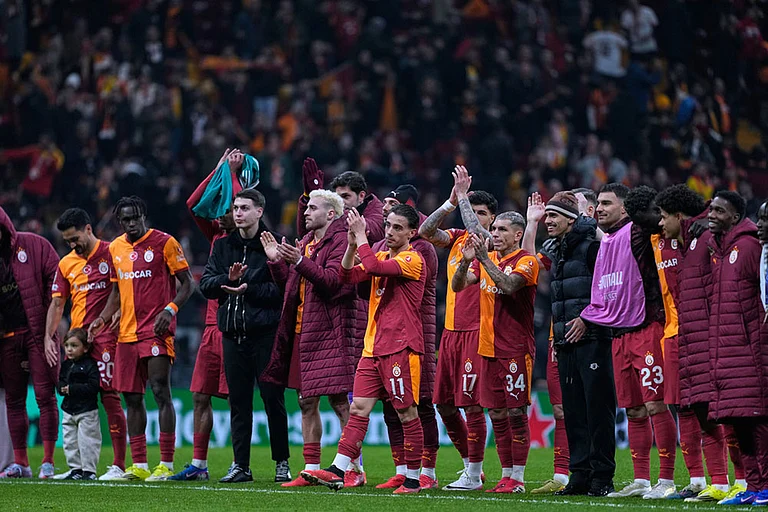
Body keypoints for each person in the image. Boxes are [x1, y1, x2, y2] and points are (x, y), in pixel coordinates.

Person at [300, 205, 426, 495]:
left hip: (401, 347)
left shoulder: (412, 259)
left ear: (411, 232)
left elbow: (373, 268)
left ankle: (413, 478)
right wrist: (351, 244)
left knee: (406, 412)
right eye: (388, 226)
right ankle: (338, 468)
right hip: (372, 347)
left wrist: (361, 237)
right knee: (358, 408)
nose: (391, 232)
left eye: (398, 228)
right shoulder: (380, 254)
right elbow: (346, 277)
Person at [573, 184, 677, 499]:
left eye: (607, 203)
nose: (600, 208)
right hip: (618, 334)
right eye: (598, 203)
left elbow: (651, 219)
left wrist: (638, 205)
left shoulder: (640, 233)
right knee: (632, 410)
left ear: (625, 208)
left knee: (655, 403)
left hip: (647, 326)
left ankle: (667, 480)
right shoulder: (606, 242)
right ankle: (642, 480)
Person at [89, 196, 194, 481]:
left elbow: (188, 284)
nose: (131, 223)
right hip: (125, 335)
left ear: (144, 216)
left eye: (136, 217)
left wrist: (170, 310)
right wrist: (102, 317)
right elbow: (115, 291)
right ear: (119, 221)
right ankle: (139, 465)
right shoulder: (115, 248)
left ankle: (166, 465)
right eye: (126, 219)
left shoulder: (164, 243)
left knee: (161, 392)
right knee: (132, 398)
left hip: (156, 331)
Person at [260, 190, 360, 487]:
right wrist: (277, 263)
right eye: (306, 208)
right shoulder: (305, 242)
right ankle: (311, 468)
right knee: (306, 402)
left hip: (331, 330)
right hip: (303, 332)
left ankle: (354, 468)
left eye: (312, 208)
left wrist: (300, 261)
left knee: (341, 402)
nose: (305, 213)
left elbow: (334, 283)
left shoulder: (341, 241)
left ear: (331, 214)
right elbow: (289, 288)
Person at [525, 191, 616, 496]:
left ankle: (602, 476)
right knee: (574, 410)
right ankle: (580, 474)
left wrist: (588, 318)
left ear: (570, 219)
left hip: (592, 337)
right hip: (565, 340)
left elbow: (609, 287)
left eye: (553, 216)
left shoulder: (593, 247)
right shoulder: (561, 251)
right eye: (547, 216)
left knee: (597, 408)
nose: (548, 221)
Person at [199, 189, 289, 484]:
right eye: (236, 208)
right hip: (232, 334)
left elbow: (282, 292)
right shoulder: (223, 246)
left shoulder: (273, 244)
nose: (237, 213)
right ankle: (241, 465)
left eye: (244, 208)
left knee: (272, 399)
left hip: (265, 334)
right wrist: (230, 280)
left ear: (259, 211)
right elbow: (207, 285)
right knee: (238, 403)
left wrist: (248, 288)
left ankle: (281, 463)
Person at [419, 167, 498, 491]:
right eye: (473, 210)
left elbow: (477, 229)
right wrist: (450, 202)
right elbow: (425, 231)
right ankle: (471, 467)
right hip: (450, 332)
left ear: (491, 219)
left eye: (482, 213)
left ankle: (474, 471)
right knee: (445, 405)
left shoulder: (490, 243)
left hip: (476, 332)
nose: (475, 218)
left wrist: (465, 198)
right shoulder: (457, 240)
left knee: (472, 404)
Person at [654, 184, 735, 502]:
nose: (659, 224)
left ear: (677, 215)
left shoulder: (707, 239)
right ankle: (699, 480)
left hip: (706, 335)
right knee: (683, 408)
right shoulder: (661, 242)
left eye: (663, 217)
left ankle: (728, 480)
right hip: (674, 336)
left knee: (713, 408)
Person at [452, 211, 539, 493]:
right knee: (498, 415)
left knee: (515, 413)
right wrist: (466, 262)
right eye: (495, 229)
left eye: (502, 230)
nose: (496, 234)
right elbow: (457, 286)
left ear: (517, 235)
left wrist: (483, 258)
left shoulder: (526, 261)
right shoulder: (490, 261)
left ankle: (519, 478)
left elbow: (508, 285)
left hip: (515, 348)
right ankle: (505, 475)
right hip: (487, 348)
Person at [170, 149, 240, 482]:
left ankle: (242, 463)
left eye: (231, 207)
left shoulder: (249, 239)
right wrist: (218, 170)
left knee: (238, 401)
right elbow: (193, 203)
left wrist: (233, 176)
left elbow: (241, 205)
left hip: (238, 327)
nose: (223, 212)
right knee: (200, 396)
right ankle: (199, 464)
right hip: (211, 326)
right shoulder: (216, 235)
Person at [45, 207, 127, 481]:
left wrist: (115, 313)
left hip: (104, 337)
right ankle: (80, 466)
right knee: (76, 399)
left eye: (75, 238)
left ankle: (119, 464)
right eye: (67, 241)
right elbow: (58, 303)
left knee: (109, 394)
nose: (72, 244)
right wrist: (49, 335)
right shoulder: (66, 263)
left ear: (89, 229)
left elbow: (122, 290)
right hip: (78, 341)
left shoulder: (111, 252)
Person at [373, 183, 440, 490]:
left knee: (420, 403)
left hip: (415, 333)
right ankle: (402, 468)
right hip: (386, 333)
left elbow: (421, 298)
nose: (384, 209)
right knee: (392, 404)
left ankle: (427, 470)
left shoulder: (421, 249)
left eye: (391, 204)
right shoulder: (385, 245)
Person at [705, 191, 768, 506]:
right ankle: (753, 486)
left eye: (718, 210)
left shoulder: (750, 247)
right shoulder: (720, 250)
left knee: (757, 421)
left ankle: (766, 486)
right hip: (726, 352)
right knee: (738, 421)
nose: (711, 214)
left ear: (734, 216)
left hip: (750, 350)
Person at [0, 207, 60, 479]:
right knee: (14, 400)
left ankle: (48, 461)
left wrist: (50, 331)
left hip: (37, 334)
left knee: (45, 396)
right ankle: (21, 463)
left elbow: (58, 284)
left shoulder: (35, 245)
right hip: (7, 339)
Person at [57, 328, 102, 481]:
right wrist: (61, 388)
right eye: (67, 345)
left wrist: (72, 389)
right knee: (69, 442)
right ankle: (75, 469)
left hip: (86, 411)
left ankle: (89, 471)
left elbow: (94, 386)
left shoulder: (90, 365)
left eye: (74, 346)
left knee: (88, 441)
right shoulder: (65, 365)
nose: (70, 349)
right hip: (69, 410)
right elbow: (60, 382)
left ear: (86, 348)